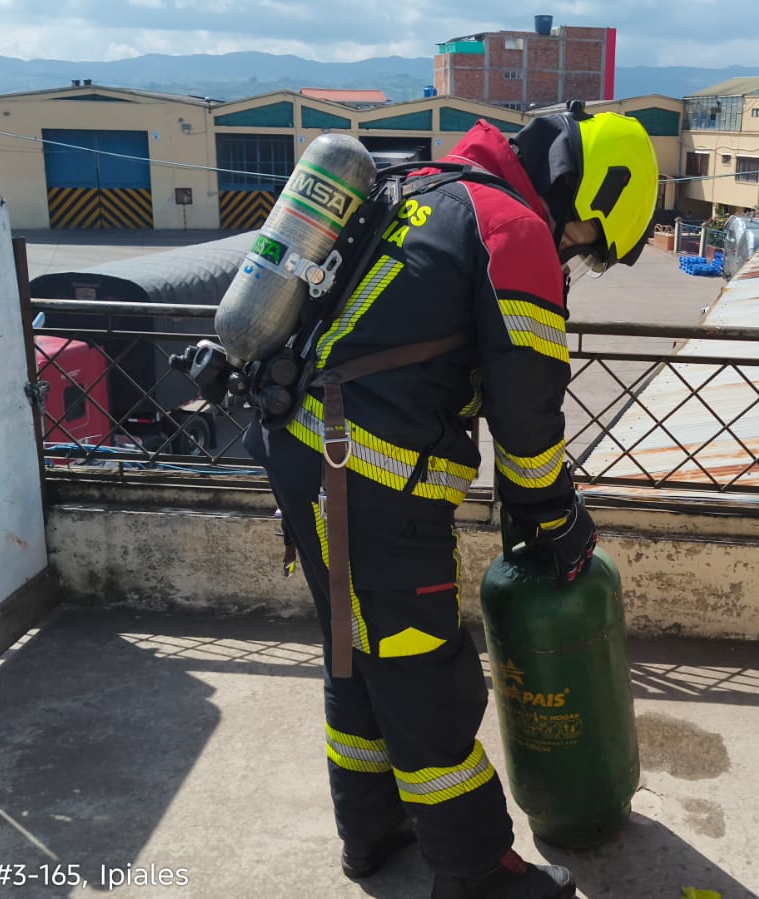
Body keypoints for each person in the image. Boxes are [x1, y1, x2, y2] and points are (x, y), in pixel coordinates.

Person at [245, 104, 658, 899]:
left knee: (354, 657)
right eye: (589, 240)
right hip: (371, 485)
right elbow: (526, 413)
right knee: (424, 679)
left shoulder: (422, 186)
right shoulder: (512, 230)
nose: (577, 255)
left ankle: (371, 830)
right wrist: (555, 518)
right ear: (585, 191)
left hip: (298, 454)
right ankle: (476, 872)